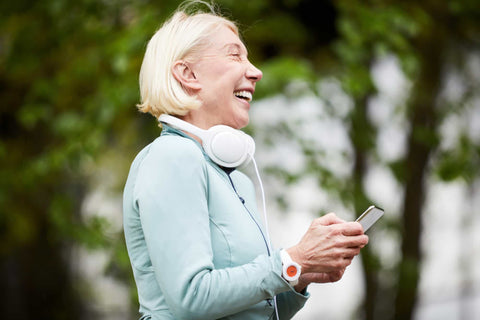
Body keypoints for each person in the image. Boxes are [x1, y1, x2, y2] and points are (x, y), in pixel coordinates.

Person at [123, 1, 369, 319]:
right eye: (235, 55)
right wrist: (293, 260)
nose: (255, 72)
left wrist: (302, 274)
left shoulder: (235, 178)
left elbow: (255, 309)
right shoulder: (171, 157)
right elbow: (191, 297)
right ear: (187, 73)